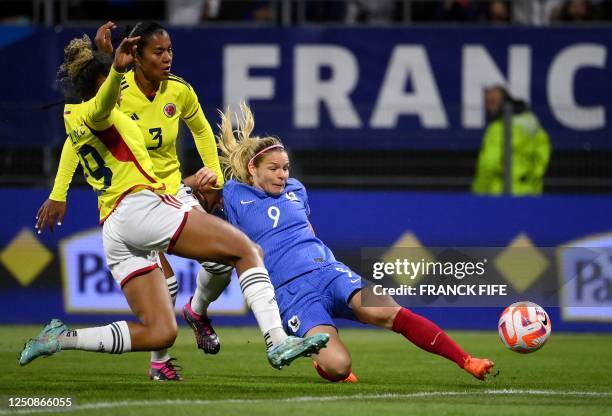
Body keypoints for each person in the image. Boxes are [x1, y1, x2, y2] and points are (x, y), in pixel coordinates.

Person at [20, 34, 329, 373]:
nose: (122, 86)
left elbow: (94, 127)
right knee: (246, 251)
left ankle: (61, 338)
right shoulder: (100, 111)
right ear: (104, 85)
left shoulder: (78, 117)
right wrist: (115, 72)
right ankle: (277, 340)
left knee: (160, 331)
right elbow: (106, 98)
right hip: (139, 209)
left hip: (116, 226)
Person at [195, 103, 495, 382]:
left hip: (328, 273)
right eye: (274, 168)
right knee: (339, 367)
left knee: (387, 311)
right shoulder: (231, 193)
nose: (282, 175)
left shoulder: (296, 190)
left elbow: (305, 230)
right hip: (292, 294)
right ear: (253, 169)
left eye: (285, 168)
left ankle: (466, 360)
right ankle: (321, 358)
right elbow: (193, 206)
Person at [36, 21, 233, 380]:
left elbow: (203, 129)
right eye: (159, 51)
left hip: (169, 189)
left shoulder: (178, 91)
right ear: (137, 57)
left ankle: (198, 312)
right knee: (176, 280)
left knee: (221, 264)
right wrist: (58, 191)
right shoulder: (115, 92)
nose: (168, 57)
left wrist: (215, 177)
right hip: (135, 197)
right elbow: (75, 140)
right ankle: (159, 364)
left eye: (170, 50)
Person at [472, 85, 551, 196]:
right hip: (529, 192)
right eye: (487, 102)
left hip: (499, 193)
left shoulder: (498, 129)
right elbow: (542, 157)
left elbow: (489, 163)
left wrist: (479, 191)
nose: (489, 106)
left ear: (504, 102)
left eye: (493, 102)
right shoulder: (532, 124)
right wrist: (531, 179)